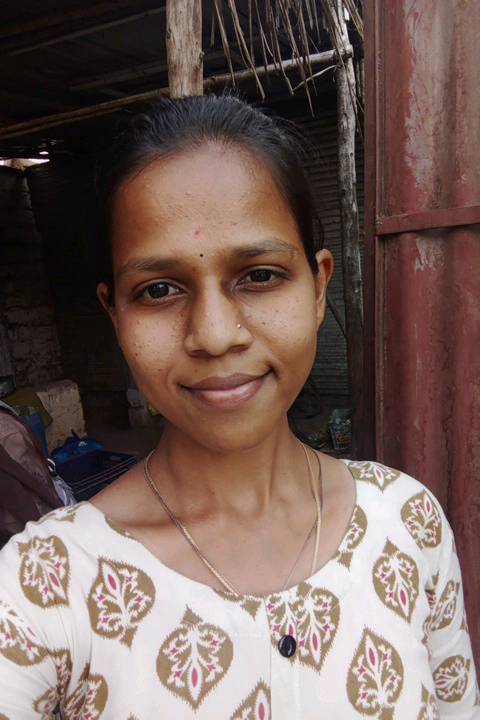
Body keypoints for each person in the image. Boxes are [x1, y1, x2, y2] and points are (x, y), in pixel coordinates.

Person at [0, 95, 477, 719]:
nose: (215, 335)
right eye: (159, 289)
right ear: (114, 314)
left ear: (318, 287)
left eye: (259, 275)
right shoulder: (46, 589)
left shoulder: (409, 524)